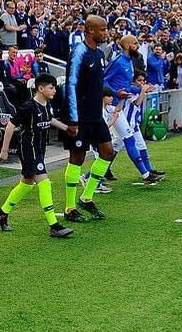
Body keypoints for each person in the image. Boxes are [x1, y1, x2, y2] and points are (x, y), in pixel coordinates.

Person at [0, 73, 74, 238]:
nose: (54, 91)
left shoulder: (46, 105)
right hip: (28, 149)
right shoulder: (28, 106)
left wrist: (66, 128)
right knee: (44, 183)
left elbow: (49, 119)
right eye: (51, 88)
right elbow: (10, 125)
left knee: (27, 183)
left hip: (39, 150)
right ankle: (54, 225)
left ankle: (2, 213)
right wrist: (4, 149)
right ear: (40, 88)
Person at [63, 15, 115, 223]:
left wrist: (112, 94)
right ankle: (69, 208)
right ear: (90, 30)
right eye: (102, 30)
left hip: (95, 115)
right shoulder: (78, 54)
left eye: (106, 29)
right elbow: (71, 87)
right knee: (77, 158)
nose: (105, 33)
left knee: (108, 152)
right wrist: (73, 120)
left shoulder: (99, 53)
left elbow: (95, 83)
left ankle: (87, 197)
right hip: (81, 118)